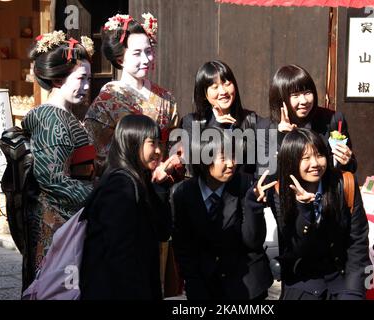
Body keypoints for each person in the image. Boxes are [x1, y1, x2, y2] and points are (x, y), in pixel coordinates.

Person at [246, 128, 370, 300]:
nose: (315, 164)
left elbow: (358, 243)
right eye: (305, 158)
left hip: (341, 282)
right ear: (290, 161)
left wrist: (354, 293)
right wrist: (304, 208)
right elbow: (297, 248)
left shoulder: (344, 183)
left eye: (319, 155)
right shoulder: (279, 192)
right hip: (302, 285)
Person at [21, 31, 95, 290]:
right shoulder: (51, 119)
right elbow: (54, 181)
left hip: (69, 219)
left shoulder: (66, 115)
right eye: (81, 78)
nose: (87, 86)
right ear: (58, 78)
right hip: (56, 225)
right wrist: (100, 194)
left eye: (89, 78)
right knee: (59, 289)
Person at [171, 127, 273, 300]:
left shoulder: (246, 185)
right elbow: (183, 246)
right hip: (204, 286)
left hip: (247, 287)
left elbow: (253, 242)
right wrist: (193, 282)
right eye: (223, 157)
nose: (231, 163)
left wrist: (253, 205)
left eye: (233, 156)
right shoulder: (183, 193)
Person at [80, 114, 171, 300]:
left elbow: (162, 231)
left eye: (159, 144)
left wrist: (159, 187)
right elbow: (119, 253)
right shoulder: (120, 186)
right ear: (133, 142)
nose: (158, 151)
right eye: (152, 143)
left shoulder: (140, 179)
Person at [84, 13, 181, 181]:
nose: (145, 59)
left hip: (165, 180)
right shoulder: (107, 101)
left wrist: (172, 162)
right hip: (125, 183)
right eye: (137, 53)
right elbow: (96, 153)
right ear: (120, 59)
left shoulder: (166, 97)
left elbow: (175, 141)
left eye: (148, 51)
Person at [257, 64, 356, 178]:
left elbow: (351, 168)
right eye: (295, 95)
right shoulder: (265, 128)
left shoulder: (332, 120)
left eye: (307, 92)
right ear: (281, 99)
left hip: (324, 192)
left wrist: (347, 161)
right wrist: (281, 138)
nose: (304, 100)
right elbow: (265, 176)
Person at [179, 60, 259, 176]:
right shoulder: (192, 122)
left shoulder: (250, 120)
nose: (223, 91)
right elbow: (194, 166)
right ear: (204, 94)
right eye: (215, 87)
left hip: (241, 192)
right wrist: (217, 126)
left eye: (227, 84)